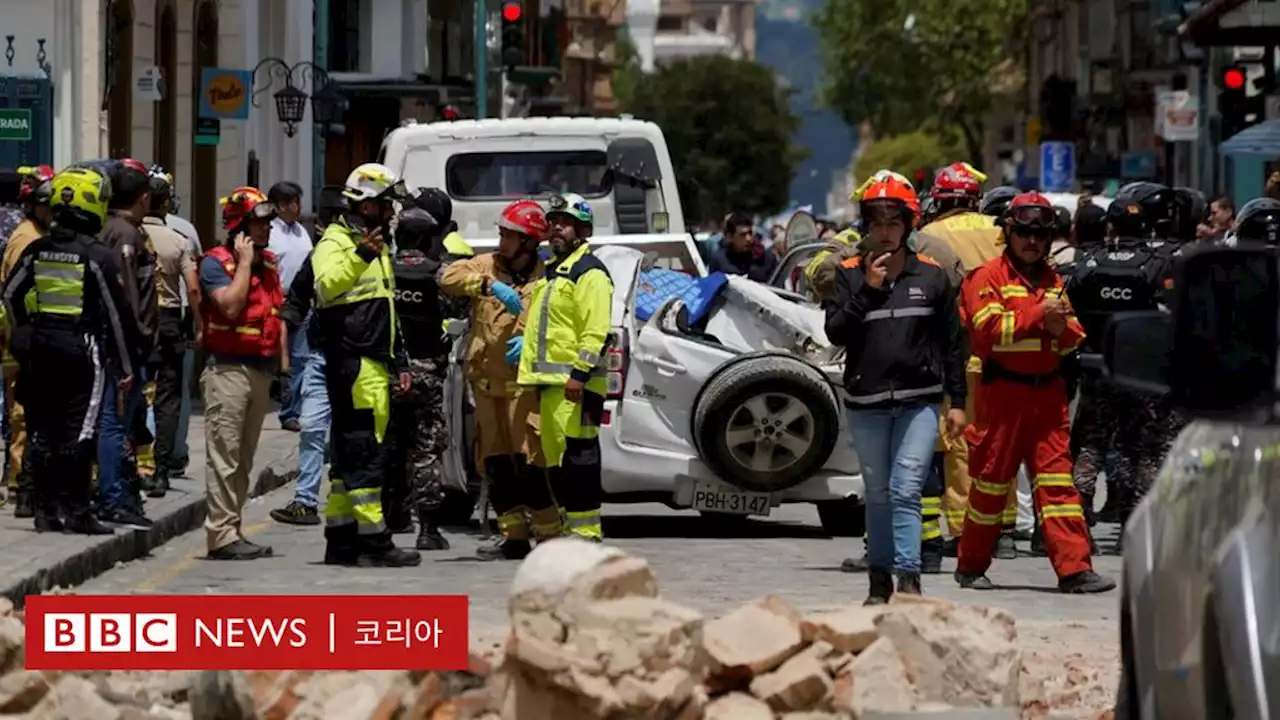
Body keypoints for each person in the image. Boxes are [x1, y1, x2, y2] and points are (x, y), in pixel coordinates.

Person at [956, 190, 1113, 594]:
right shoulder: (986, 277)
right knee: (991, 484)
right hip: (1002, 396)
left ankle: (1075, 569)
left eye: (1040, 235)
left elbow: (1072, 336)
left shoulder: (1053, 279)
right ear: (1008, 232)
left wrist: (1059, 328)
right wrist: (1039, 316)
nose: (1032, 241)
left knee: (1058, 486)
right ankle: (971, 566)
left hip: (1047, 397)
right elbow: (987, 334)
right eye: (1024, 232)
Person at [824, 174, 967, 604]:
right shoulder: (848, 275)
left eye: (893, 223)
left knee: (907, 488)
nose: (884, 232)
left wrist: (957, 402)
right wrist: (868, 290)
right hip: (865, 403)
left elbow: (952, 344)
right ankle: (879, 580)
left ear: (909, 225)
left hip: (918, 401)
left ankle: (909, 579)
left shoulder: (933, 277)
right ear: (866, 226)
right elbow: (836, 333)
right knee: (880, 492)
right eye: (876, 223)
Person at [2, 166, 137, 534]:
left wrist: (27, 330)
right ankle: (78, 511)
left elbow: (10, 295)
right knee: (81, 430)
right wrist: (126, 366)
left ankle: (45, 510)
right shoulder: (97, 256)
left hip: (42, 347)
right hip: (83, 349)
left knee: (43, 429)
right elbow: (116, 313)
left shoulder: (37, 248)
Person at [312, 163, 419, 567]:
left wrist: (399, 360)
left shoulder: (376, 243)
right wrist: (359, 255)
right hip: (353, 363)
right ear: (369, 204)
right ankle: (375, 543)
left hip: (373, 361)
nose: (393, 213)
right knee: (365, 455)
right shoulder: (338, 242)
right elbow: (325, 288)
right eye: (388, 204)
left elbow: (385, 308)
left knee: (347, 460)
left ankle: (340, 540)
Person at [441, 199, 561, 560]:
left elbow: (562, 323)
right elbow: (447, 277)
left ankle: (551, 539)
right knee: (495, 464)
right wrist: (488, 286)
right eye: (502, 234)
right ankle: (514, 538)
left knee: (530, 464)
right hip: (488, 388)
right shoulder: (486, 266)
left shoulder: (550, 276)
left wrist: (536, 338)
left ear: (529, 242)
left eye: (510, 236)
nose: (502, 242)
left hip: (526, 389)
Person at [1065, 183, 1176, 550]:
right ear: (1145, 227)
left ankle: (1079, 521)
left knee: (1090, 446)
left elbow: (1071, 312)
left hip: (1097, 369)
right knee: (1142, 450)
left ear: (1109, 227)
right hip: (1141, 376)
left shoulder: (1089, 264)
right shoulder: (1158, 264)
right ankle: (1135, 527)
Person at [517, 192, 613, 542]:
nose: (557, 228)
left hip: (577, 387)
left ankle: (586, 532)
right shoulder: (554, 272)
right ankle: (566, 529)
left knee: (580, 459)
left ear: (582, 230)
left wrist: (579, 376)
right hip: (552, 384)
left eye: (566, 223)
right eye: (554, 222)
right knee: (559, 461)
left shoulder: (590, 273)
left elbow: (596, 331)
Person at [199, 187, 288, 560]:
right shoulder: (214, 264)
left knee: (245, 459)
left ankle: (232, 528)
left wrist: (284, 372)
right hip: (228, 372)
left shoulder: (268, 265)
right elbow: (232, 307)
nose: (267, 229)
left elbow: (276, 317)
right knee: (225, 456)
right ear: (239, 226)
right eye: (259, 222)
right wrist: (246, 262)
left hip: (260, 371)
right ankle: (220, 535)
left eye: (268, 223)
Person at [383, 206, 454, 551]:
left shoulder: (383, 270)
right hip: (427, 371)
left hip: (391, 373)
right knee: (427, 449)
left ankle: (391, 515)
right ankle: (428, 530)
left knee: (391, 445)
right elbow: (460, 309)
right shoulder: (438, 273)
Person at [95, 157, 158, 529]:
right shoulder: (125, 235)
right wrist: (137, 344)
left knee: (122, 423)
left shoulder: (118, 230)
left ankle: (121, 492)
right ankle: (112, 497)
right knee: (114, 423)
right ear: (144, 196)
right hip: (126, 348)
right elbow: (130, 298)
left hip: (125, 345)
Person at [141, 167, 200, 499]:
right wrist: (199, 327)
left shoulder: (126, 235)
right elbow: (193, 289)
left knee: (134, 392)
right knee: (168, 397)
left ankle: (135, 465)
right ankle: (160, 469)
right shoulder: (179, 238)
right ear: (165, 204)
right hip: (168, 320)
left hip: (136, 320)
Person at [1, 164, 54, 516]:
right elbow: (18, 292)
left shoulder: (33, 233)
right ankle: (20, 479)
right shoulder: (27, 239)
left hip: (24, 336)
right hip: (19, 338)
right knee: (22, 410)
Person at [267, 181, 311, 432]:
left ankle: (290, 412)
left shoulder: (300, 231)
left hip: (301, 302)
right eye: (296, 202)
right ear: (282, 205)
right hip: (276, 301)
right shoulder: (270, 232)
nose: (299, 207)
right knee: (271, 358)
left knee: (299, 358)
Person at [706, 212, 777, 282]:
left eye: (750, 233)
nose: (748, 238)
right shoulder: (719, 261)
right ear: (729, 237)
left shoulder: (766, 259)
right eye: (742, 235)